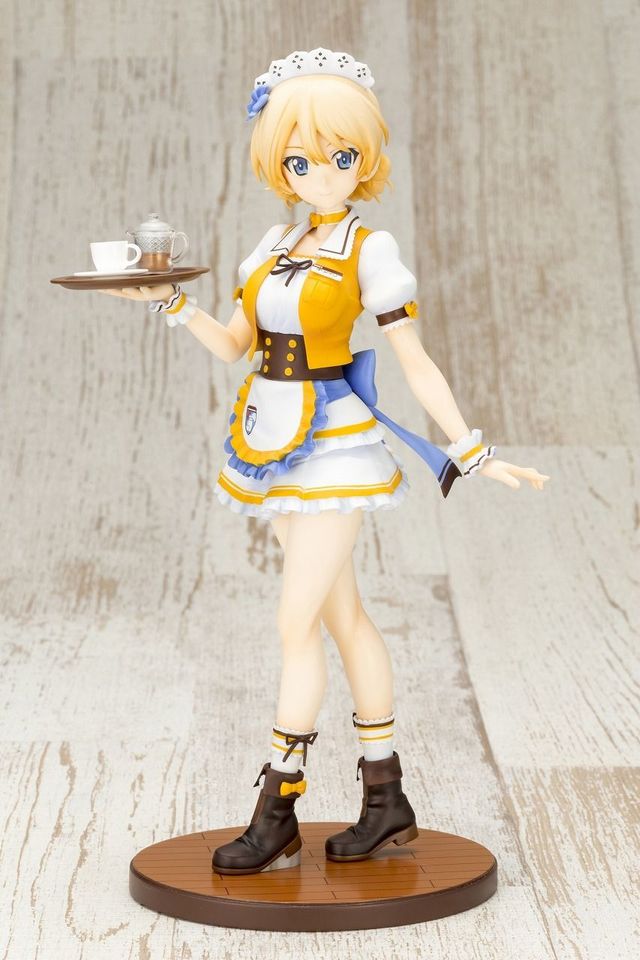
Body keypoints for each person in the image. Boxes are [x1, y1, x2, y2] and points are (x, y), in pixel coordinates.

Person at [98, 48, 549, 876]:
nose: (321, 174)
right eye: (300, 160)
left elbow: (413, 357)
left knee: (294, 624)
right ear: (279, 164)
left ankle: (277, 806)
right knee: (343, 620)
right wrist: (169, 302)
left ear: (364, 157)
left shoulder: (370, 248)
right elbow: (235, 345)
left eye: (341, 156)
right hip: (275, 441)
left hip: (336, 445)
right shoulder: (273, 243)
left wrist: (469, 447)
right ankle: (387, 800)